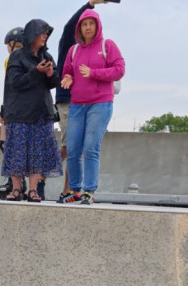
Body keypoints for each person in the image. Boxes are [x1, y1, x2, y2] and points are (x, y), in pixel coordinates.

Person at [59, 8, 125, 205]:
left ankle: (89, 190)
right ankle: (75, 190)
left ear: (97, 26)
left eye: (91, 24)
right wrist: (68, 78)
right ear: (79, 28)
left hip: (100, 103)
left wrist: (94, 73)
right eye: (84, 25)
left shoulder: (107, 45)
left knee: (90, 148)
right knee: (72, 148)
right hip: (77, 105)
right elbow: (67, 72)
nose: (88, 28)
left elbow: (119, 70)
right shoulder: (74, 50)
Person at [1, 19, 63, 202]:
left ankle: (33, 190)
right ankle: (16, 189)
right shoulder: (17, 56)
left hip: (41, 111)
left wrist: (51, 74)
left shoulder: (47, 56)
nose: (45, 36)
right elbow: (15, 82)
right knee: (17, 150)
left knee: (37, 152)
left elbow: (54, 83)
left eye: (47, 33)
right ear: (32, 34)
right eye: (42, 32)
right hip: (19, 112)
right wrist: (36, 71)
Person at [0, 27, 25, 200]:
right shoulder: (31, 58)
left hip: (14, 108)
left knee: (8, 145)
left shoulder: (10, 59)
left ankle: (16, 184)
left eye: (8, 45)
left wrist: (5, 108)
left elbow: (10, 86)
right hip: (27, 108)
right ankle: (18, 183)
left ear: (13, 45)